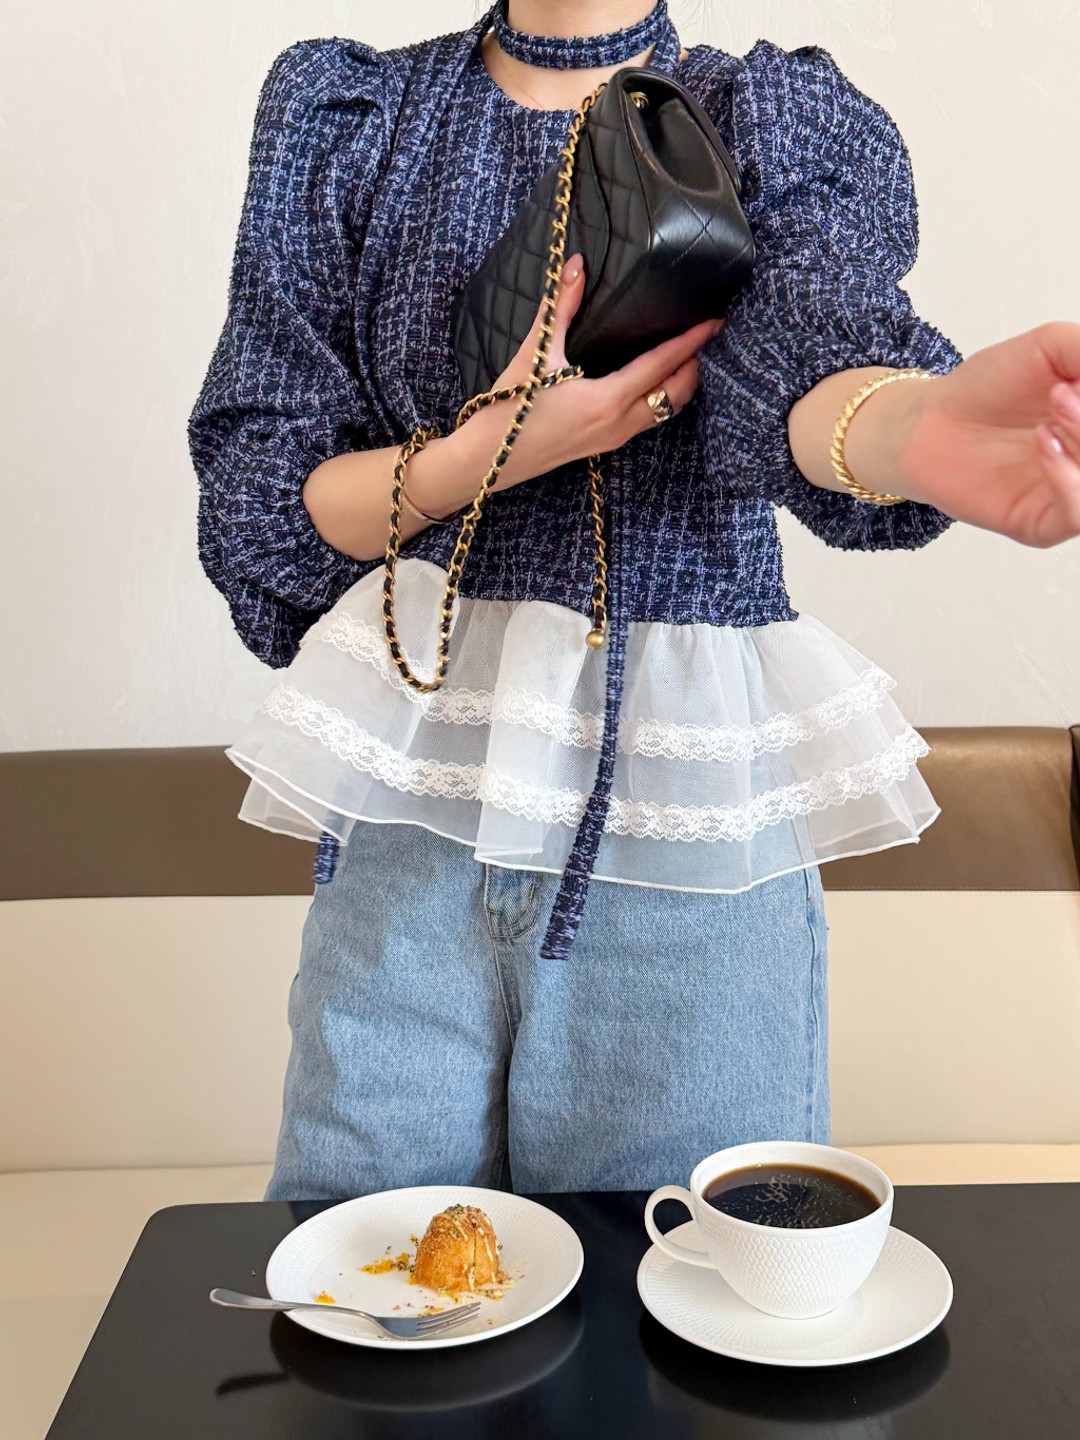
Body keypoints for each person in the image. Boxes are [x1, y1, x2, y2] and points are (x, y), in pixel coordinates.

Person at [187, 0, 1080, 1202]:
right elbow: (261, 506)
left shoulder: (765, 117)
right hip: (408, 823)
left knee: (695, 1292)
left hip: (683, 834)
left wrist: (914, 429)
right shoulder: (349, 117)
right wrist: (490, 452)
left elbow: (801, 363)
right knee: (367, 1288)